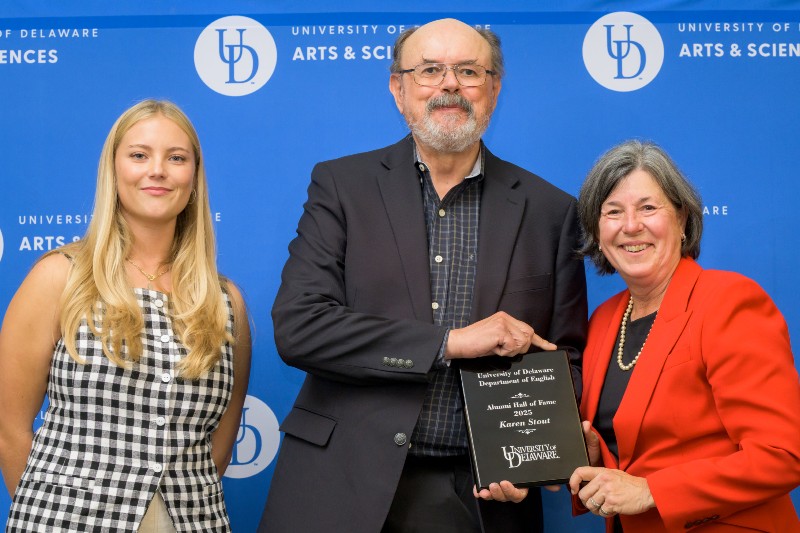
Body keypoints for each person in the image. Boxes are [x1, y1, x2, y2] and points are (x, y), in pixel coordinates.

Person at [259, 18, 587, 533]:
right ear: (399, 88)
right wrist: (449, 343)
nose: (450, 84)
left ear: (494, 89)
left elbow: (563, 356)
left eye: (468, 71)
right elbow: (299, 327)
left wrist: (540, 455)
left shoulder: (551, 211)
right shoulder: (342, 186)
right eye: (430, 70)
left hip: (479, 496)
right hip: (339, 482)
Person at [0, 99, 252, 532]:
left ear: (193, 179)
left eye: (176, 158)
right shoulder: (59, 278)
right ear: (113, 170)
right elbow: (9, 429)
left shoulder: (224, 301)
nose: (158, 170)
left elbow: (220, 444)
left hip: (192, 521)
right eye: (139, 155)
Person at [565, 140, 800, 531]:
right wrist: (594, 457)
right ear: (597, 231)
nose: (631, 226)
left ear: (683, 218)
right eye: (613, 212)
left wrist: (653, 490)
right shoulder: (604, 320)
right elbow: (636, 451)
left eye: (648, 208)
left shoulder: (728, 301)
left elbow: (782, 454)